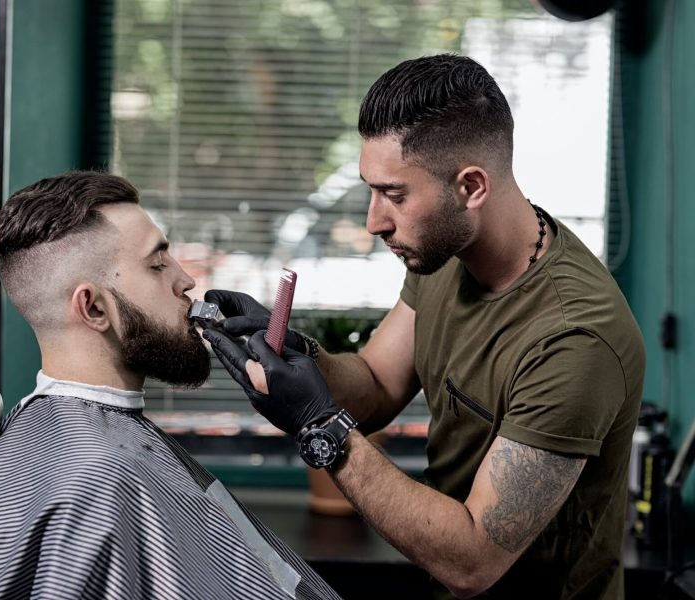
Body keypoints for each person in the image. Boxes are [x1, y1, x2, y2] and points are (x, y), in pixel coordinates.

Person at [203, 54, 646, 599]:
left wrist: (320, 427)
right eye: (372, 190)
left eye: (394, 195)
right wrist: (297, 357)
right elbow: (377, 385)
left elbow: (473, 561)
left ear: (471, 186)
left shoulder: (574, 341)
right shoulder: (446, 249)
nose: (373, 222)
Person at [0, 171, 341, 600]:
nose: (186, 280)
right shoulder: (96, 476)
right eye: (157, 264)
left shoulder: (94, 446)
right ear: (92, 309)